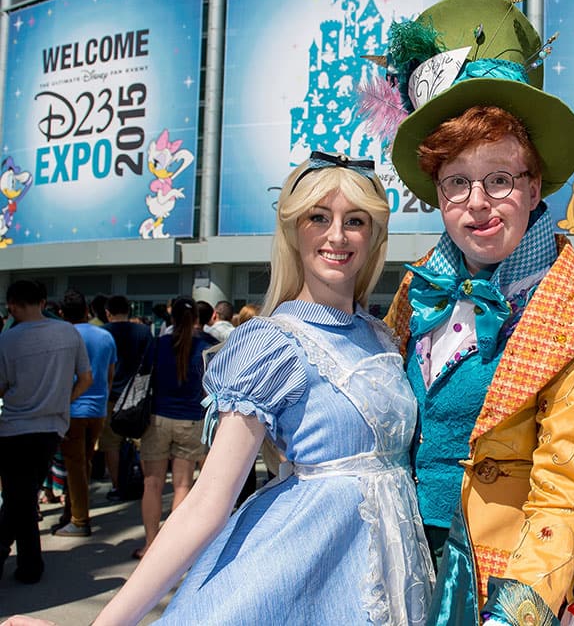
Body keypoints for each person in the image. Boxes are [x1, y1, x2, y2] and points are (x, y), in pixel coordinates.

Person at [60, 152, 432, 625]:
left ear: (374, 235)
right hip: (305, 576)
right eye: (319, 217)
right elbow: (207, 503)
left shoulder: (380, 333)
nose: (337, 235)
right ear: (294, 230)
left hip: (398, 573)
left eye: (354, 220)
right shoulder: (272, 343)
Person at [380, 0, 574, 623]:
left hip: (484, 578)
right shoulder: (417, 291)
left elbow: (565, 491)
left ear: (535, 185)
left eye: (500, 180)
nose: (478, 203)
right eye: (458, 182)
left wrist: (520, 608)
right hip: (389, 559)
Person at [0, 280, 92, 584]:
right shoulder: (68, 332)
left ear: (12, 305)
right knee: (23, 496)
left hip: (13, 427)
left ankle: (22, 561)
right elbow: (86, 378)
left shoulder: (7, 341)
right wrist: (63, 400)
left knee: (18, 497)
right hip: (52, 426)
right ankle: (28, 564)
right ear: (43, 302)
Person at [134, 296, 212, 559]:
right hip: (190, 419)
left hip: (157, 418)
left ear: (172, 317)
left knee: (152, 484)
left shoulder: (158, 344)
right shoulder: (205, 347)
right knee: (182, 486)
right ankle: (172, 548)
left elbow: (143, 379)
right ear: (197, 320)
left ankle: (150, 544)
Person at [52, 289, 117, 537]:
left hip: (72, 409)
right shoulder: (105, 336)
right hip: (98, 409)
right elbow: (110, 376)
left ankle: (79, 519)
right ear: (87, 309)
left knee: (75, 466)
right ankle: (72, 512)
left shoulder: (63, 336)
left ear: (61, 313)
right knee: (83, 464)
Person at [101, 294, 154, 500]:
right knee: (142, 442)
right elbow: (150, 362)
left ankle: (117, 486)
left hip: (111, 395)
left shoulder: (102, 333)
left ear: (107, 313)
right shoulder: (143, 332)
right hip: (137, 396)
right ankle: (145, 482)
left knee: (111, 444)